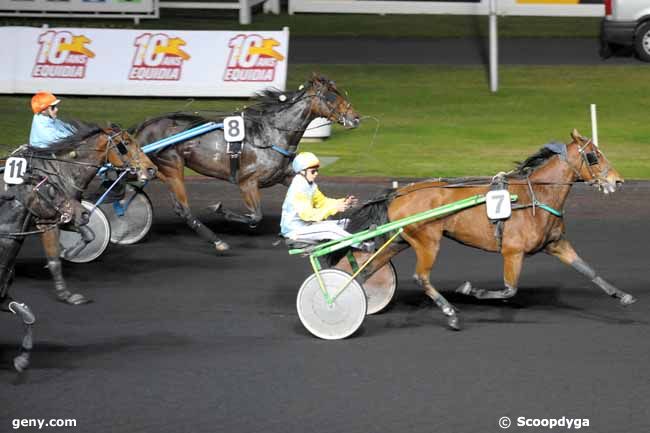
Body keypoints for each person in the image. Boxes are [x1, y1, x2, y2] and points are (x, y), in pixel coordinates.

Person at [280, 152, 359, 243]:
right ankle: (364, 245)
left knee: (346, 222)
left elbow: (323, 202)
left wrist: (343, 202)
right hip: (294, 230)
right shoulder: (298, 189)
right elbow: (308, 215)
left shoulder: (310, 185)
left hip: (306, 225)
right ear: (302, 172)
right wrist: (334, 208)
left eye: (317, 170)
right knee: (330, 229)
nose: (316, 174)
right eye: (313, 171)